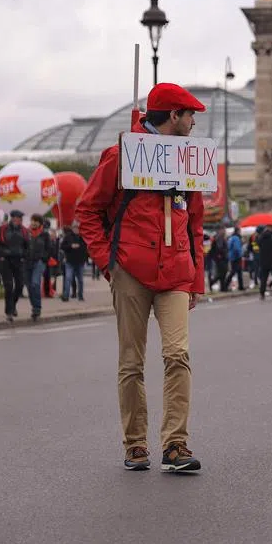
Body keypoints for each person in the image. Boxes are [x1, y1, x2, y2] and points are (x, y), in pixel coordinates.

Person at [76, 82, 206, 473]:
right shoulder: (121, 156)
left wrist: (196, 279)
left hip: (177, 272)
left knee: (177, 356)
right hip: (131, 270)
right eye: (189, 115)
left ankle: (175, 445)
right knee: (131, 362)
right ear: (171, 116)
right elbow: (87, 211)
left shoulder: (190, 160)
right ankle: (135, 444)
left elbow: (194, 223)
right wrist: (108, 262)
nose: (193, 122)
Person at [0, 210, 30, 321]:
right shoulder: (3, 229)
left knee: (20, 285)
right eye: (17, 218)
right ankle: (9, 312)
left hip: (19, 260)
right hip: (5, 260)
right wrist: (0, 256)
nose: (19, 220)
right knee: (9, 286)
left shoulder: (24, 231)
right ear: (12, 218)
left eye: (20, 218)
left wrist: (24, 256)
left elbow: (27, 246)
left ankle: (13, 304)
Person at [59, 222, 88, 301]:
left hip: (80, 261)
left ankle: (80, 295)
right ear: (72, 228)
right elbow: (62, 246)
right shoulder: (68, 236)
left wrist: (84, 257)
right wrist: (70, 246)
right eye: (75, 227)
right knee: (68, 278)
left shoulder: (82, 237)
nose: (76, 229)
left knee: (80, 280)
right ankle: (66, 296)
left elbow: (86, 248)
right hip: (70, 261)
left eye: (77, 227)